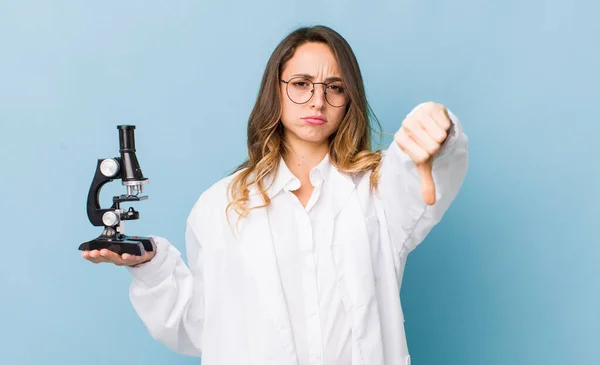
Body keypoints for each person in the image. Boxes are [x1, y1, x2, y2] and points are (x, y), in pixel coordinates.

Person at [82, 25, 469, 365]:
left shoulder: (377, 189)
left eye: (334, 87)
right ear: (276, 89)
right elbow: (203, 328)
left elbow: (418, 170)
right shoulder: (220, 206)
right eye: (301, 84)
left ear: (348, 98)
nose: (318, 101)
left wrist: (436, 128)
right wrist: (153, 268)